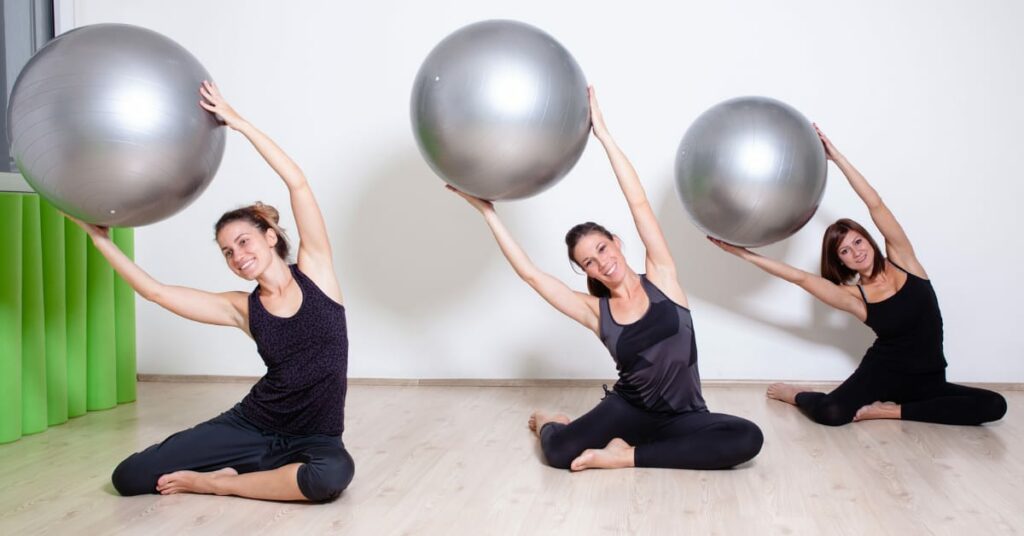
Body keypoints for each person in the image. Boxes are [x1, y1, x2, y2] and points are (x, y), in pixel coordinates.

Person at [451, 88, 763, 471]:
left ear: (616, 242)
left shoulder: (662, 277)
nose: (601, 262)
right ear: (586, 272)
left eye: (601, 248)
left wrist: (604, 135)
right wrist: (488, 214)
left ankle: (625, 456)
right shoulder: (596, 312)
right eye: (588, 262)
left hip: (685, 415)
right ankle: (551, 421)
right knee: (560, 453)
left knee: (748, 438)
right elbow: (532, 275)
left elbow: (638, 203)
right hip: (629, 410)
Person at [73, 81, 353, 501]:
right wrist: (102, 242)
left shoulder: (317, 273)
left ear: (270, 237)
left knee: (331, 478)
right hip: (252, 426)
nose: (237, 255)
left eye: (244, 241)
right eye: (227, 252)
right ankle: (252, 469)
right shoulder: (242, 308)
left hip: (316, 438)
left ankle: (217, 482)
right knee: (128, 478)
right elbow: (157, 293)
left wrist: (239, 124)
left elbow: (298, 185)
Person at [709, 125, 1007, 427]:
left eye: (857, 242)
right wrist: (743, 253)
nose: (856, 252)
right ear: (842, 263)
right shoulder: (856, 298)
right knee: (831, 413)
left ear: (868, 239)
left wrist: (836, 157)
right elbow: (800, 278)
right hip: (882, 375)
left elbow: (875, 203)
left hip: (929, 379)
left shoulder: (905, 261)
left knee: (995, 405)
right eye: (845, 252)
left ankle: (890, 411)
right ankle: (797, 395)